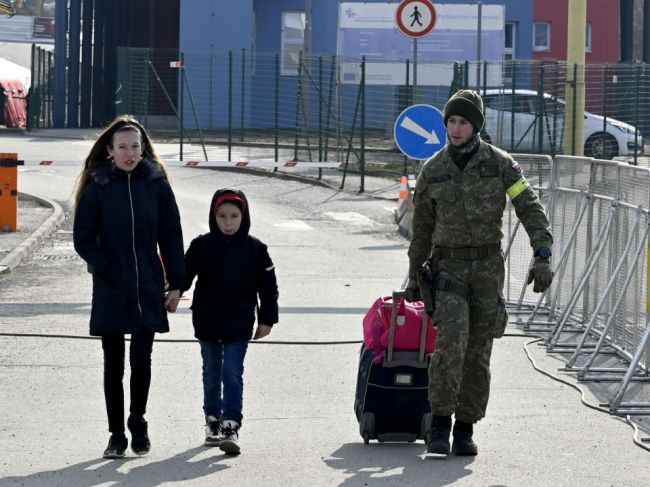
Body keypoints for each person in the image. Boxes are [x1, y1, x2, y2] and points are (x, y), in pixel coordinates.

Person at [405, 90, 553, 456]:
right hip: (448, 267)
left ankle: (466, 429)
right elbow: (421, 230)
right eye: (451, 121)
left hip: (487, 270)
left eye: (463, 122)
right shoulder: (433, 169)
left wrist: (543, 254)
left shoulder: (501, 164)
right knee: (450, 346)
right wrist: (412, 278)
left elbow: (530, 207)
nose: (456, 129)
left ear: (476, 127)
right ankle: (440, 423)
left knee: (478, 352)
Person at [73, 115, 185, 459]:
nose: (129, 153)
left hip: (149, 285)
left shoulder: (156, 184)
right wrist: (107, 267)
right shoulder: (98, 185)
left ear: (143, 148)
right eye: (122, 147)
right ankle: (116, 434)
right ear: (110, 149)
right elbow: (83, 238)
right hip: (111, 287)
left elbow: (171, 236)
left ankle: (138, 422)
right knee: (113, 364)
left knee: (142, 360)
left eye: (135, 146)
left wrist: (176, 284)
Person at [182, 188, 279, 455]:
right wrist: (172, 291)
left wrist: (267, 319)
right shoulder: (201, 246)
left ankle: (231, 425)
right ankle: (212, 421)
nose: (228, 222)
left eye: (234, 216)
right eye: (222, 216)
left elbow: (268, 288)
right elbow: (184, 276)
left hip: (239, 323)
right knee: (211, 373)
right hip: (207, 322)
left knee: (232, 373)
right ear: (213, 216)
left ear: (243, 216)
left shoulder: (256, 249)